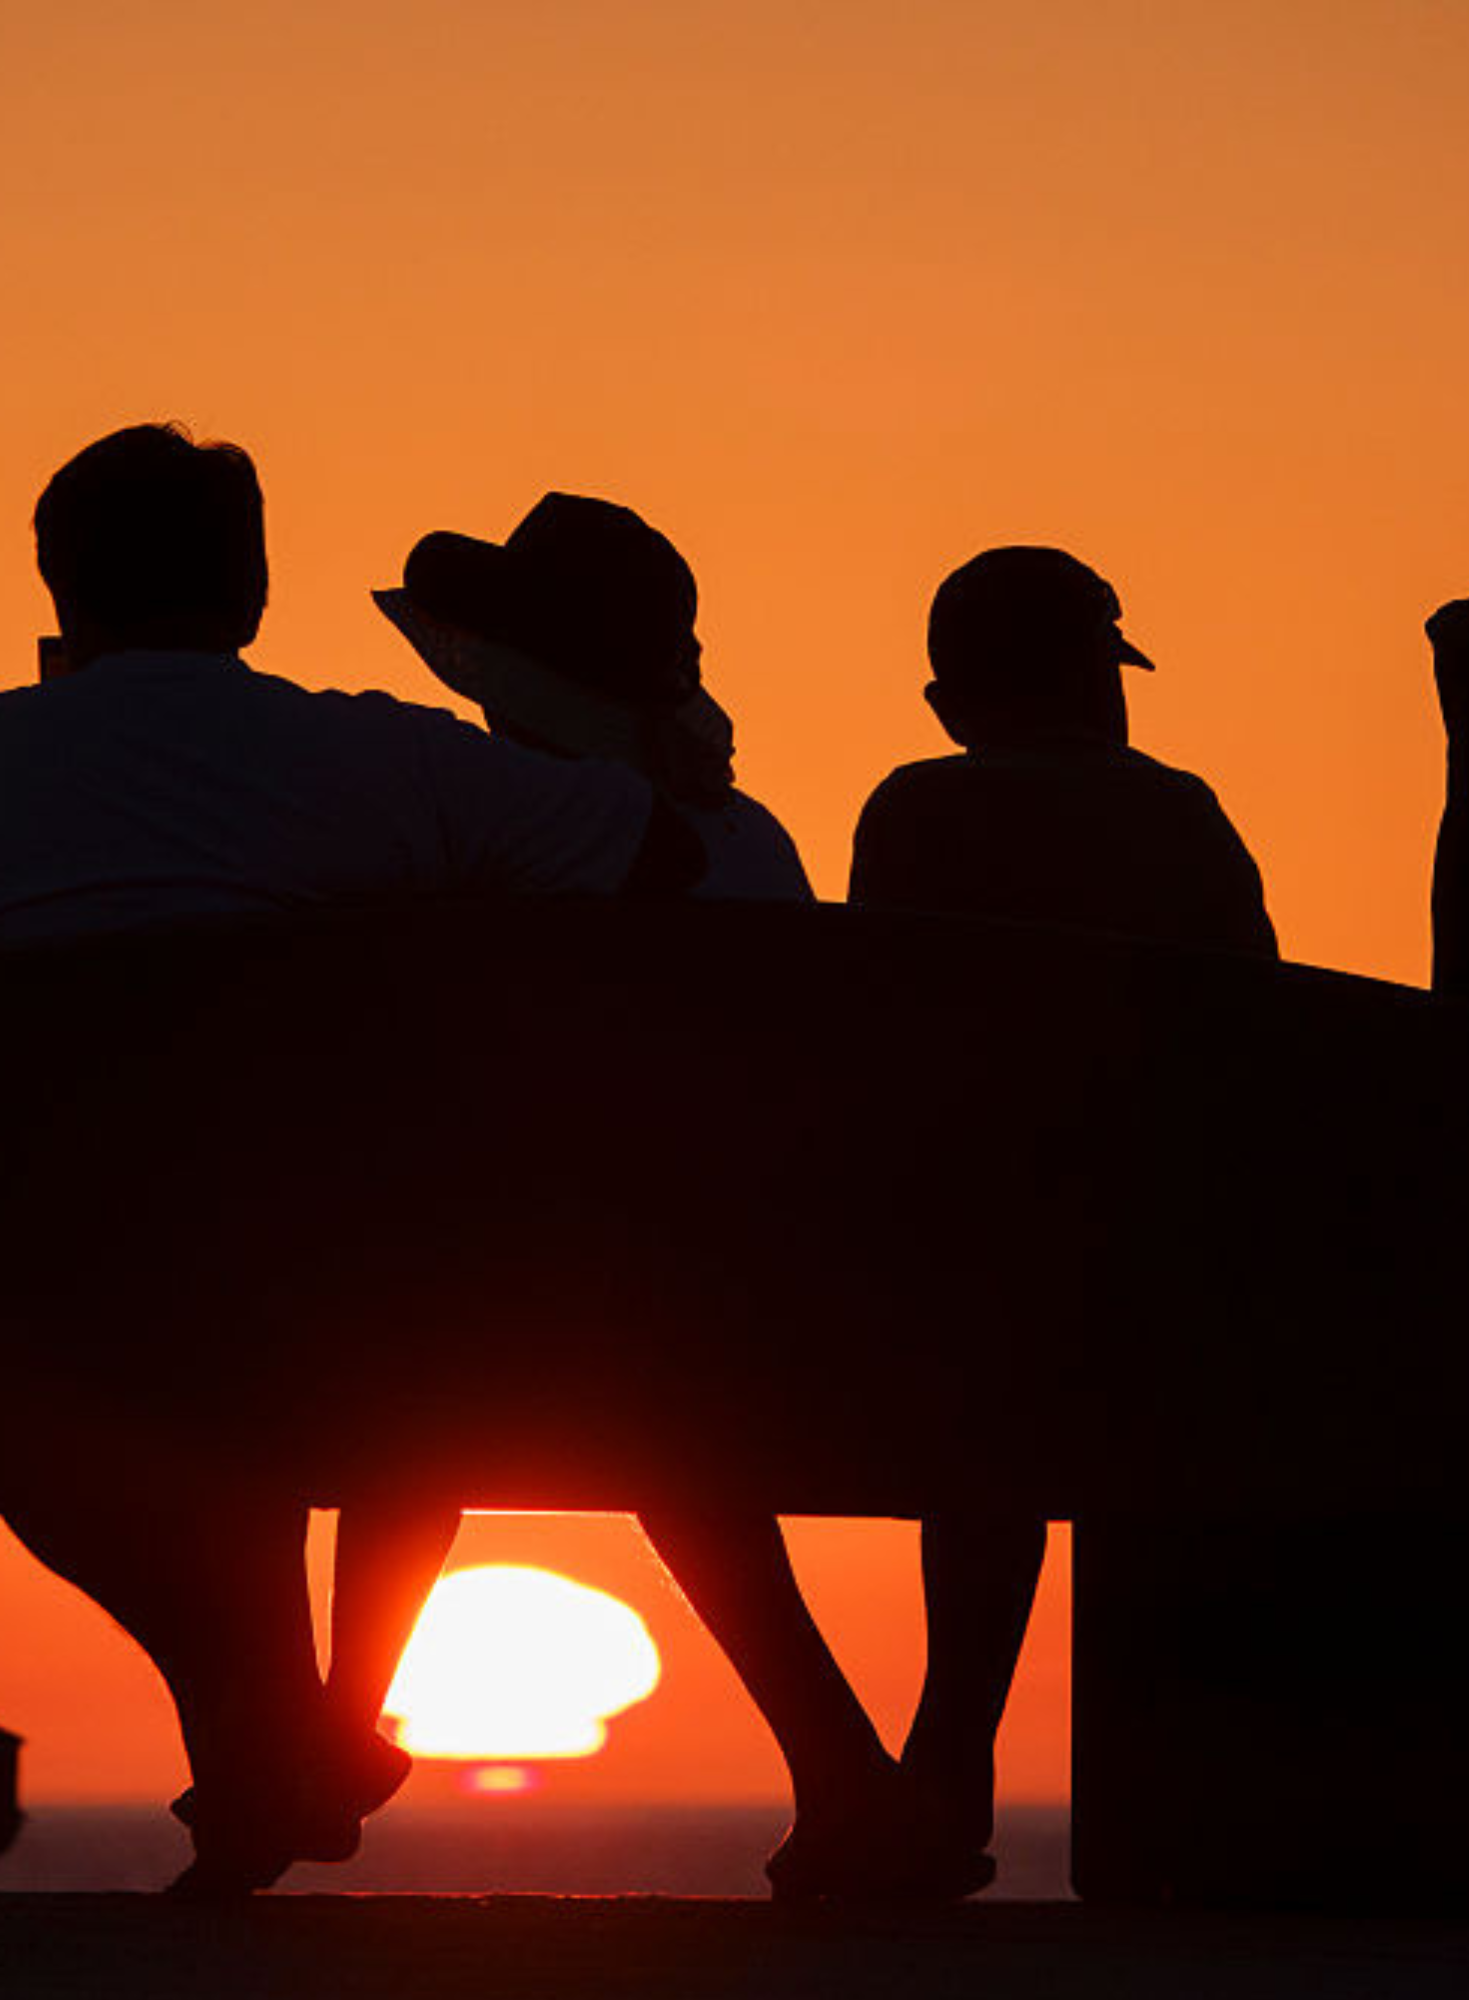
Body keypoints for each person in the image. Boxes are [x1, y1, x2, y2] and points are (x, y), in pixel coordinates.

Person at [0, 424, 703, 1891]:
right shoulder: (370, 757)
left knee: (69, 1426)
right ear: (250, 590)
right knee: (395, 1373)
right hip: (338, 1311)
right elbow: (660, 854)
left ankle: (263, 1729)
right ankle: (290, 1728)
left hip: (50, 1323)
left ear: (59, 588)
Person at [350, 494, 960, 1900]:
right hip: (748, 1304)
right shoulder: (743, 836)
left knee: (423, 1362)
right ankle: (847, 1771)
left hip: (522, 1310)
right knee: (614, 1370)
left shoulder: (476, 836)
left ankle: (327, 1725)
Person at [850, 543, 1277, 1875]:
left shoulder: (910, 812)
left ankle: (950, 1740)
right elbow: (1260, 1029)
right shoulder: (1180, 814)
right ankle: (1171, 1781)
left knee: (992, 1370)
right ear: (1103, 682)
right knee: (1084, 1341)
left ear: (949, 704)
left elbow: (876, 1036)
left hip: (954, 1283)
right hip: (1156, 1272)